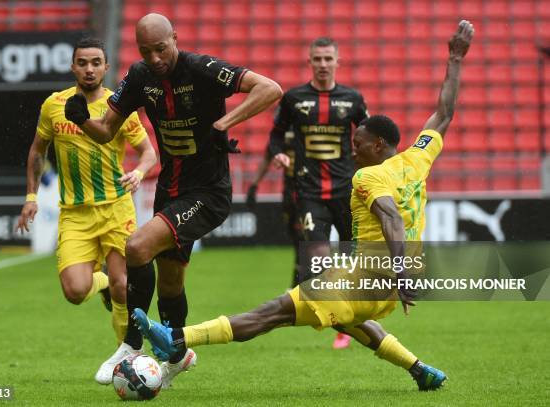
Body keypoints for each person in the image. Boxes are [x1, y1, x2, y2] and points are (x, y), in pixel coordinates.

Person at [133, 20, 474, 391]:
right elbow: (444, 113)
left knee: (271, 313)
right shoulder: (416, 159)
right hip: (384, 292)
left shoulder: (366, 178)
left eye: (357, 144)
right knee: (347, 319)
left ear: (378, 146)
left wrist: (402, 271)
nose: (351, 149)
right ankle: (419, 368)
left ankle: (179, 339)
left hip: (366, 282)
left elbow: (390, 215)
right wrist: (455, 58)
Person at [63, 13, 282, 388]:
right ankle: (178, 354)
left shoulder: (203, 68)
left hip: (208, 193)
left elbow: (270, 88)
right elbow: (105, 131)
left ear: (175, 39)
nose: (154, 59)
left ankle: (131, 344)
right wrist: (83, 120)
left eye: (161, 49)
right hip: (171, 190)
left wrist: (224, 125)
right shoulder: (140, 76)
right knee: (170, 284)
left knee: (136, 247)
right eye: (146, 51)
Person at [15, 37, 157, 385]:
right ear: (73, 67)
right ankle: (105, 283)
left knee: (126, 287)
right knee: (75, 292)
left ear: (106, 68)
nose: (89, 68)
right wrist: (31, 195)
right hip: (75, 214)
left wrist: (138, 173)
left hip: (115, 208)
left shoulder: (118, 105)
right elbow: (37, 151)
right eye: (83, 62)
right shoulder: (54, 105)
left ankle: (127, 359)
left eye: (96, 62)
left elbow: (149, 153)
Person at [269, 37, 370, 349]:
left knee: (352, 260)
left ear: (338, 61)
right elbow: (275, 135)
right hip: (310, 192)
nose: (323, 64)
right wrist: (278, 154)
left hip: (345, 192)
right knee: (318, 259)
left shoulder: (352, 99)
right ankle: (339, 321)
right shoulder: (294, 98)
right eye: (318, 59)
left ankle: (346, 319)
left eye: (328, 59)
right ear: (309, 62)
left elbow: (369, 135)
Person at [246, 136, 301, 288]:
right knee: (298, 241)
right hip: (290, 193)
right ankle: (297, 287)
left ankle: (297, 287)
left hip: (310, 191)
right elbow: (268, 155)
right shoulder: (283, 131)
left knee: (304, 241)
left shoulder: (309, 122)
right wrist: (254, 186)